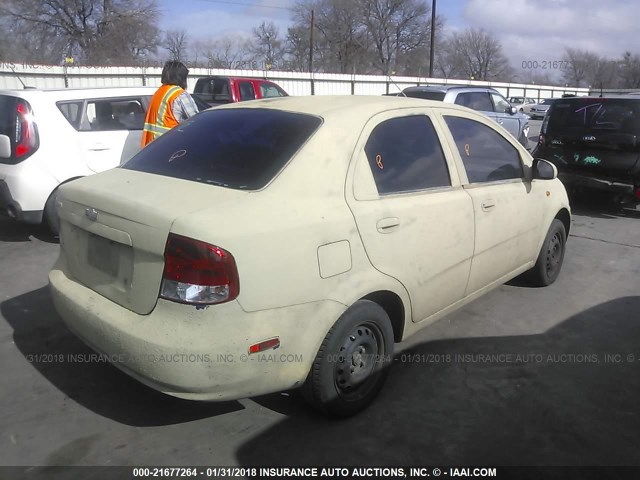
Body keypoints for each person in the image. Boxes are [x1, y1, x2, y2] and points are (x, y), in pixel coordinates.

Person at [141, 60, 199, 146]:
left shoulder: (159, 93)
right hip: (170, 148)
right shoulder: (179, 95)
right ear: (181, 77)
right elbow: (198, 122)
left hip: (151, 149)